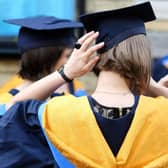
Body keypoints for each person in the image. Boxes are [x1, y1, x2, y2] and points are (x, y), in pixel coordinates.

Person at [2, 2, 168, 167]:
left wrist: (65, 73)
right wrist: (155, 87)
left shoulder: (54, 112)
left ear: (93, 56)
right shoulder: (162, 112)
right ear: (143, 57)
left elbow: (14, 109)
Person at [0, 16, 86, 104]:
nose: (71, 62)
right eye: (68, 56)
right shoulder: (5, 104)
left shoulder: (75, 88)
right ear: (48, 59)